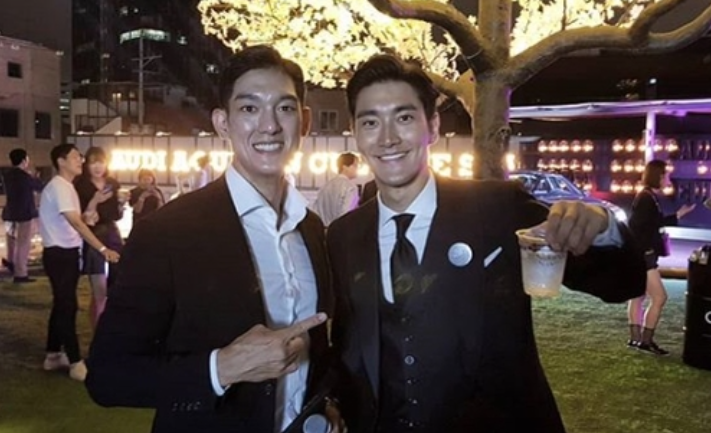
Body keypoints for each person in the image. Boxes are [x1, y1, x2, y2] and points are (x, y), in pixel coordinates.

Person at [327, 55, 647, 433]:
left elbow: (623, 284)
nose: (387, 138)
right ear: (355, 132)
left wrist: (604, 228)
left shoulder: (498, 208)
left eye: (404, 117)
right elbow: (349, 345)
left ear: (433, 126)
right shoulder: (344, 235)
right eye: (370, 122)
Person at [85, 46, 338, 433]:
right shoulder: (169, 231)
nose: (269, 125)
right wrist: (222, 367)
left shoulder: (312, 228)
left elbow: (315, 345)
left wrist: (327, 404)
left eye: (284, 108)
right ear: (223, 123)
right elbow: (108, 376)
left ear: (303, 122)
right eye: (249, 108)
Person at [39, 144, 120, 381]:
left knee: (62, 304)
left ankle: (53, 354)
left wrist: (89, 213)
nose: (80, 161)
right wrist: (102, 248)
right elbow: (75, 223)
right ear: (61, 161)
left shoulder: (67, 187)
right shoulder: (60, 187)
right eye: (76, 157)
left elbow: (77, 219)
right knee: (67, 306)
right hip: (59, 254)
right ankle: (75, 362)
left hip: (67, 253)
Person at [627, 160, 695, 355]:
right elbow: (638, 227)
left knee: (638, 296)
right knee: (659, 297)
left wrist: (677, 215)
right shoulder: (646, 198)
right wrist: (646, 251)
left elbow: (652, 222)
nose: (668, 179)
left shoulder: (647, 196)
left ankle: (636, 339)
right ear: (658, 175)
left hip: (640, 255)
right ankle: (645, 341)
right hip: (644, 256)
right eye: (665, 175)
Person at [73, 147, 124, 329]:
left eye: (101, 162)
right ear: (86, 165)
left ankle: (106, 328)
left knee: (116, 287)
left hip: (112, 234)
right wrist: (95, 201)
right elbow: (82, 218)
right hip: (93, 236)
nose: (97, 167)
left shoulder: (112, 183)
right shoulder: (81, 185)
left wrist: (120, 203)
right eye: (93, 163)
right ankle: (98, 332)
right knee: (99, 290)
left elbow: (116, 215)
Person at [2, 148, 43, 283]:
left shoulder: (7, 175)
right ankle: (20, 273)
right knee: (23, 244)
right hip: (24, 214)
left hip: (9, 213)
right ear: (24, 160)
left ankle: (10, 261)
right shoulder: (25, 176)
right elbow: (39, 186)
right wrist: (35, 177)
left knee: (12, 241)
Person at [312, 152, 360, 225]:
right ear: (345, 167)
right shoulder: (351, 188)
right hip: (341, 229)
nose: (357, 168)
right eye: (355, 165)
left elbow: (316, 210)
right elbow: (350, 213)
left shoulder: (325, 186)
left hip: (324, 228)